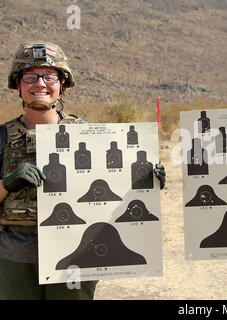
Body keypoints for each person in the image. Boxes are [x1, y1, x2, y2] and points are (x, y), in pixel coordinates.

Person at [0, 41, 166, 299]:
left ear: (62, 84)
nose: (40, 84)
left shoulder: (88, 135)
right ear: (18, 84)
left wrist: (149, 179)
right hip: (15, 254)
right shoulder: (2, 138)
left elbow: (114, 189)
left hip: (77, 249)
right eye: (30, 76)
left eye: (50, 76)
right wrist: (8, 183)